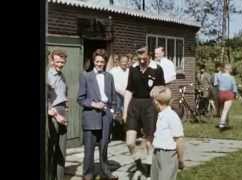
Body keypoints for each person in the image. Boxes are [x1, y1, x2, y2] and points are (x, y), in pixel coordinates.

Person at [122, 47, 165, 175]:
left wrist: (161, 108)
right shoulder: (133, 69)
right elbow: (129, 90)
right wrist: (125, 111)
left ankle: (149, 169)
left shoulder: (157, 69)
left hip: (150, 105)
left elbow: (162, 90)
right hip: (134, 105)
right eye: (139, 58)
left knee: (149, 141)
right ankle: (139, 164)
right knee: (130, 142)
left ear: (149, 56)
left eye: (144, 58)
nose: (141, 61)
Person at [77, 49, 118, 180]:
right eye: (97, 61)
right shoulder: (86, 76)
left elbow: (113, 97)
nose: (100, 64)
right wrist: (94, 104)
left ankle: (105, 172)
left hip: (106, 115)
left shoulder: (109, 76)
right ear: (93, 62)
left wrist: (112, 112)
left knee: (104, 146)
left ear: (105, 62)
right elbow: (80, 98)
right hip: (91, 115)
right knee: (89, 148)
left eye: (102, 61)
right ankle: (88, 174)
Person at [149, 86, 185, 180]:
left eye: (152, 100)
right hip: (157, 152)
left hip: (168, 154)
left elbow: (179, 139)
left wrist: (180, 159)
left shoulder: (172, 116)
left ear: (156, 102)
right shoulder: (161, 115)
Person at [47, 49, 68, 180]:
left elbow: (64, 92)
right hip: (52, 114)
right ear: (51, 61)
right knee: (51, 149)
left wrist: (66, 104)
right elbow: (46, 99)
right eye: (58, 62)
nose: (60, 64)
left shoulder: (62, 75)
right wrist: (56, 115)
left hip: (62, 111)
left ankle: (59, 178)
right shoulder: (47, 76)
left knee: (62, 148)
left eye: (62, 62)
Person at [216, 64, 238, 130]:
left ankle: (227, 123)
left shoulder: (219, 76)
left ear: (225, 69)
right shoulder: (232, 78)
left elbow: (216, 83)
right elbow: (234, 88)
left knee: (224, 109)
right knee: (225, 110)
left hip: (221, 94)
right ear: (230, 70)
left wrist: (219, 72)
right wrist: (235, 95)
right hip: (229, 94)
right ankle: (222, 123)